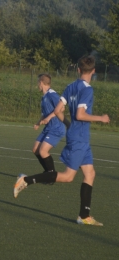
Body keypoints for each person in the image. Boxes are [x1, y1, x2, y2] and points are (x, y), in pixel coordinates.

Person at [13, 55, 110, 226]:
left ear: (78, 69)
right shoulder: (87, 90)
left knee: (90, 174)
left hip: (80, 137)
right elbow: (80, 114)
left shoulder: (70, 86)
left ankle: (84, 216)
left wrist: (69, 125)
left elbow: (58, 110)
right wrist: (100, 118)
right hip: (79, 139)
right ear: (93, 71)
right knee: (67, 177)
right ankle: (26, 180)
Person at [32, 73, 67, 173]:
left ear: (41, 83)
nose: (37, 85)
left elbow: (62, 107)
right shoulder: (45, 96)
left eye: (38, 83)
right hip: (48, 128)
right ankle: (47, 172)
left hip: (56, 128)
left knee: (43, 151)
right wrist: (38, 123)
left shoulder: (52, 94)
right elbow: (45, 114)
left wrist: (49, 118)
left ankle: (51, 174)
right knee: (35, 150)